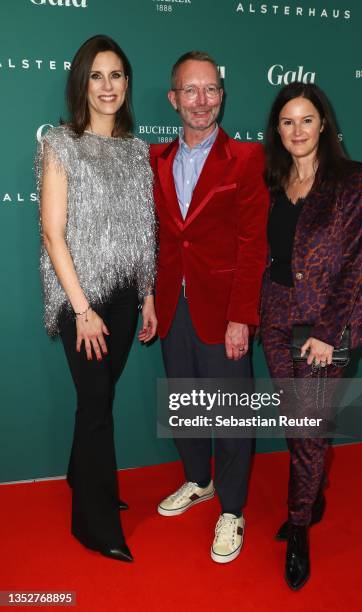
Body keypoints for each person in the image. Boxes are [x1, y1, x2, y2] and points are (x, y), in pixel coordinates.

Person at [35, 35, 156, 562]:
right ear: (81, 83)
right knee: (95, 407)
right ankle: (95, 524)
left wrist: (148, 294)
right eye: (97, 76)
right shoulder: (60, 145)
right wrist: (81, 310)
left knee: (99, 399)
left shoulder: (136, 150)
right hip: (78, 298)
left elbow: (144, 231)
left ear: (127, 84)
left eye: (117, 75)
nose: (108, 87)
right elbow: (52, 234)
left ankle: (79, 476)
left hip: (128, 295)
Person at [150, 51, 269, 563]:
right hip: (172, 307)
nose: (202, 101)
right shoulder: (155, 159)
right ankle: (199, 481)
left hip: (223, 312)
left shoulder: (245, 158)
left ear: (222, 95)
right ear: (174, 99)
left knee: (232, 416)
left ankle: (233, 510)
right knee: (186, 405)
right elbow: (154, 240)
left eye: (211, 90)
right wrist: (149, 302)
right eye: (190, 91)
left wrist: (241, 315)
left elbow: (253, 244)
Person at [261, 82, 362, 589]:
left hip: (325, 327)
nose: (297, 130)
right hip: (277, 319)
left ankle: (301, 526)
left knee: (307, 430)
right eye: (287, 121)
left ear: (323, 124)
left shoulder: (352, 181)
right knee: (297, 424)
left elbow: (353, 265)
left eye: (307, 119)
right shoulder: (271, 179)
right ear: (277, 130)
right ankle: (314, 490)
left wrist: (328, 332)